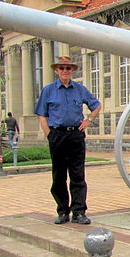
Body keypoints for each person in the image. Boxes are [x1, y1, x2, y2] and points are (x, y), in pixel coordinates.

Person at [35, 55, 102, 225]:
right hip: (57, 134)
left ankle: (79, 212)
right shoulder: (48, 90)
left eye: (68, 68)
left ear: (72, 70)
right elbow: (42, 115)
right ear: (57, 70)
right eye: (62, 68)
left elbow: (96, 105)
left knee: (77, 174)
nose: (65, 71)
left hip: (75, 135)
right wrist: (49, 134)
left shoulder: (80, 89)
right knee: (58, 176)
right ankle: (62, 211)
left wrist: (89, 120)